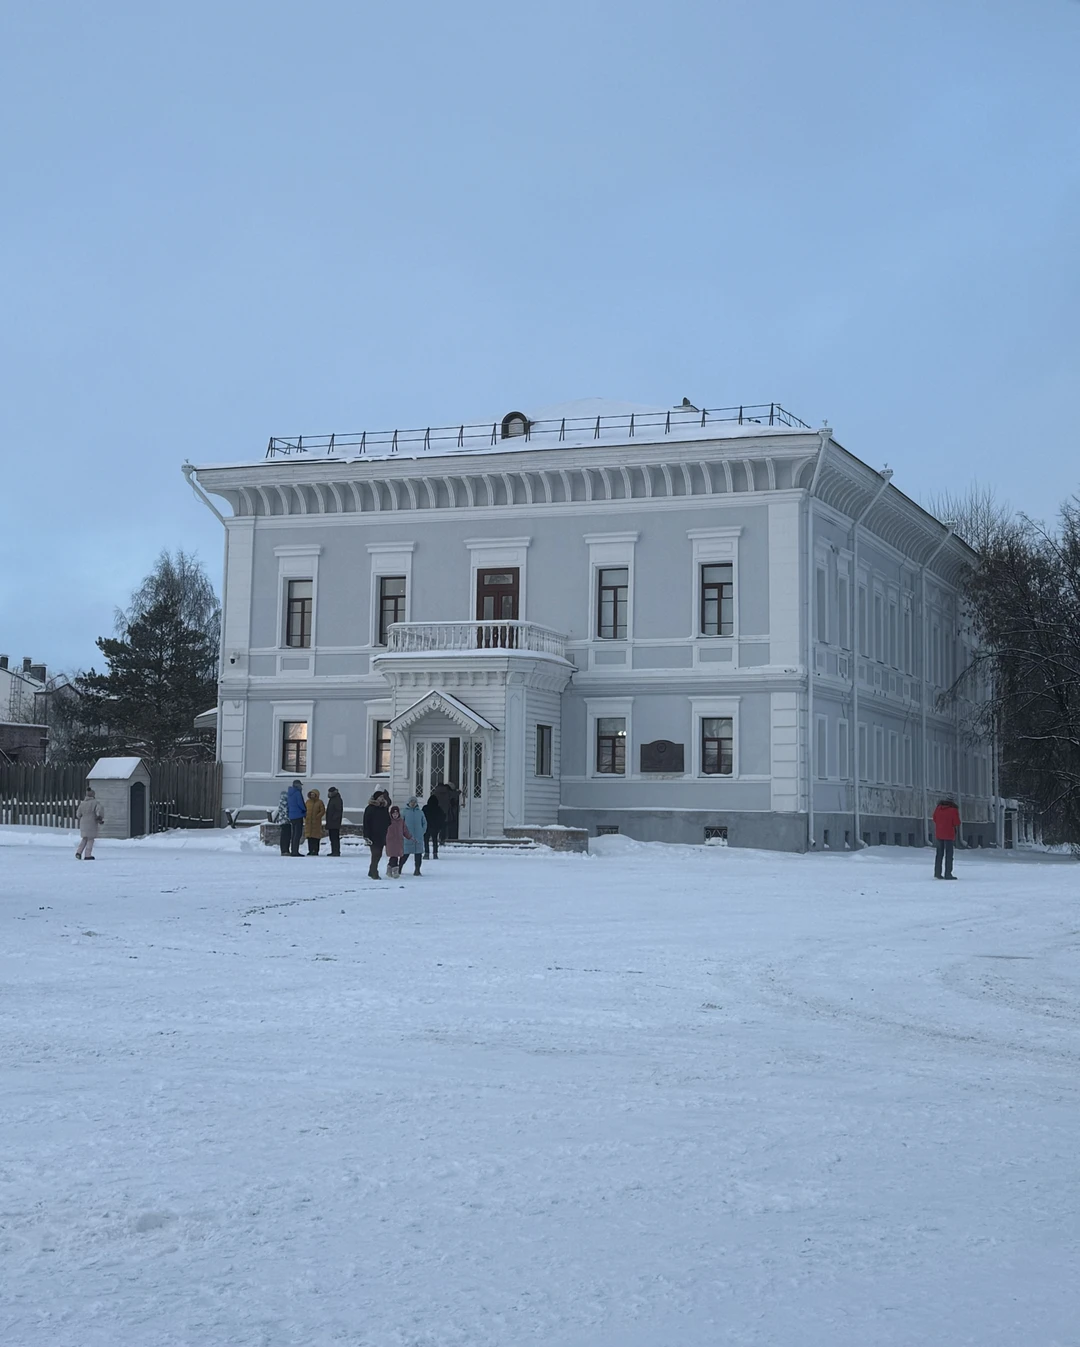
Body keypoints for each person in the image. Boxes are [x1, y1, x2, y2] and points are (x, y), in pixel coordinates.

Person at [362, 791, 391, 879]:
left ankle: (371, 871)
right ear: (376, 798)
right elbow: (366, 823)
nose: (382, 798)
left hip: (382, 835)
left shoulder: (384, 808)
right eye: (380, 797)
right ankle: (374, 872)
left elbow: (388, 821)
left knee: (379, 855)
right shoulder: (370, 808)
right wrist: (366, 835)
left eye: (383, 797)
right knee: (376, 854)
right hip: (373, 835)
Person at [932, 797, 962, 880]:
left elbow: (934, 819)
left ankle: (937, 873)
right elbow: (957, 822)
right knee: (949, 855)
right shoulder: (953, 810)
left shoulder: (938, 809)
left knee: (939, 854)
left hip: (939, 834)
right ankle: (948, 873)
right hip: (949, 834)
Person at [75, 788, 104, 860]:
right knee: (90, 839)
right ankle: (87, 855)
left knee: (84, 838)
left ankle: (78, 852)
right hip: (92, 823)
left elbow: (78, 814)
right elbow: (99, 811)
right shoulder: (95, 802)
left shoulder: (82, 803)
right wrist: (99, 818)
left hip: (83, 823)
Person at [402, 796, 428, 875]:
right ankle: (399, 868)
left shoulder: (420, 812)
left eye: (414, 802)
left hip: (418, 837)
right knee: (405, 854)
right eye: (411, 802)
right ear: (408, 803)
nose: (413, 803)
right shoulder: (404, 812)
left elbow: (424, 823)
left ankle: (417, 870)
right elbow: (400, 824)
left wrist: (422, 831)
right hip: (407, 837)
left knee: (418, 855)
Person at [385, 805, 409, 878]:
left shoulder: (401, 821)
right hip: (390, 841)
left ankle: (389, 868)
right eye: (393, 814)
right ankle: (395, 871)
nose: (395, 815)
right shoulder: (388, 821)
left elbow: (405, 830)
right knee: (394, 856)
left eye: (396, 814)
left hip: (398, 841)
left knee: (395, 856)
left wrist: (409, 837)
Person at [423, 791, 445, 859]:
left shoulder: (425, 808)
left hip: (426, 827)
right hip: (435, 827)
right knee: (435, 840)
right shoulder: (438, 809)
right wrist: (440, 827)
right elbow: (442, 817)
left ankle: (426, 853)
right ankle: (435, 853)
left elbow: (422, 817)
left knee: (426, 840)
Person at [286, 779, 306, 856]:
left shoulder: (289, 793)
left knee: (294, 834)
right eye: (300, 785)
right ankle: (295, 851)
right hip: (298, 815)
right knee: (297, 834)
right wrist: (304, 810)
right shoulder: (297, 793)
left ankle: (293, 850)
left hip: (292, 816)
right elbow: (300, 803)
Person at [304, 788, 326, 855]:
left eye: (313, 794)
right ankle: (310, 850)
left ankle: (315, 850)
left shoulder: (320, 802)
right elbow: (304, 810)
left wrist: (317, 817)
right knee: (309, 838)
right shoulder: (307, 802)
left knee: (316, 838)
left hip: (316, 823)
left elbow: (322, 811)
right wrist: (305, 816)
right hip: (308, 822)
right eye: (311, 794)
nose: (312, 796)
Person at [324, 786, 344, 857]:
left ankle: (336, 851)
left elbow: (338, 811)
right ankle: (334, 851)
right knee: (332, 837)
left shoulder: (337, 799)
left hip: (334, 822)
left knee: (334, 837)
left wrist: (333, 818)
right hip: (331, 822)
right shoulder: (332, 799)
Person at [274, 788, 291, 856]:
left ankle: (284, 850)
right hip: (286, 821)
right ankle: (285, 850)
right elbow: (286, 812)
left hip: (282, 821)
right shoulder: (285, 802)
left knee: (284, 836)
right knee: (286, 836)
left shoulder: (281, 802)